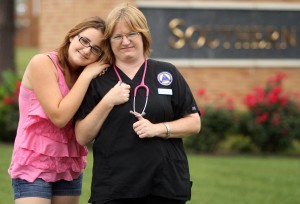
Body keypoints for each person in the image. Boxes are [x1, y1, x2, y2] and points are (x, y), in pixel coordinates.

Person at [74, 3, 201, 204]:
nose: (125, 41)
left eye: (131, 34)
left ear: (143, 35)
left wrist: (158, 129)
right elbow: (81, 136)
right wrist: (107, 102)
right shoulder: (98, 79)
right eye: (117, 36)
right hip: (115, 188)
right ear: (110, 41)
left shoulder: (166, 72)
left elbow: (194, 122)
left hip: (165, 186)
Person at [7, 16, 126, 204]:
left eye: (96, 49)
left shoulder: (88, 73)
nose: (87, 50)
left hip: (69, 164)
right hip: (33, 163)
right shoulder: (43, 63)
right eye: (84, 40)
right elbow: (59, 116)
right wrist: (87, 76)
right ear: (72, 36)